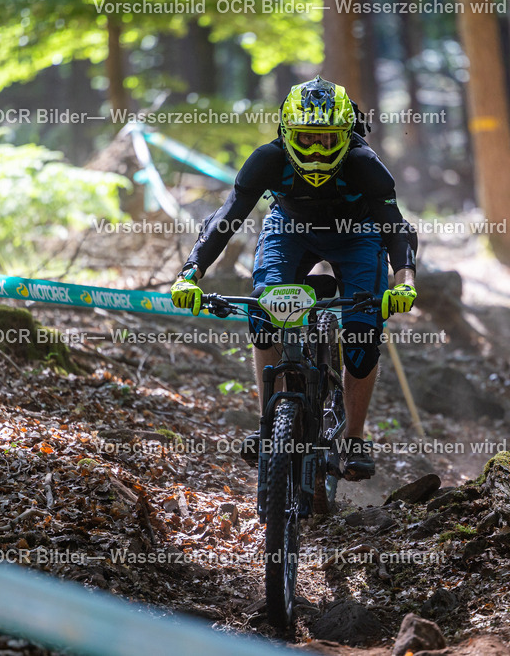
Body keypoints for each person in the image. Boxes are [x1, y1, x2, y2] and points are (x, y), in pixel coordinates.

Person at [170, 76, 418, 480]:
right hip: (290, 230)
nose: (317, 150)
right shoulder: (268, 159)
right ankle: (271, 423)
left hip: (357, 234)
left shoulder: (363, 163)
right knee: (265, 311)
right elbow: (225, 218)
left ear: (346, 135)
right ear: (286, 134)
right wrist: (189, 273)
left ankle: (354, 437)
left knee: (361, 331)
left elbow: (394, 224)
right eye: (306, 139)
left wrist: (403, 280)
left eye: (327, 140)